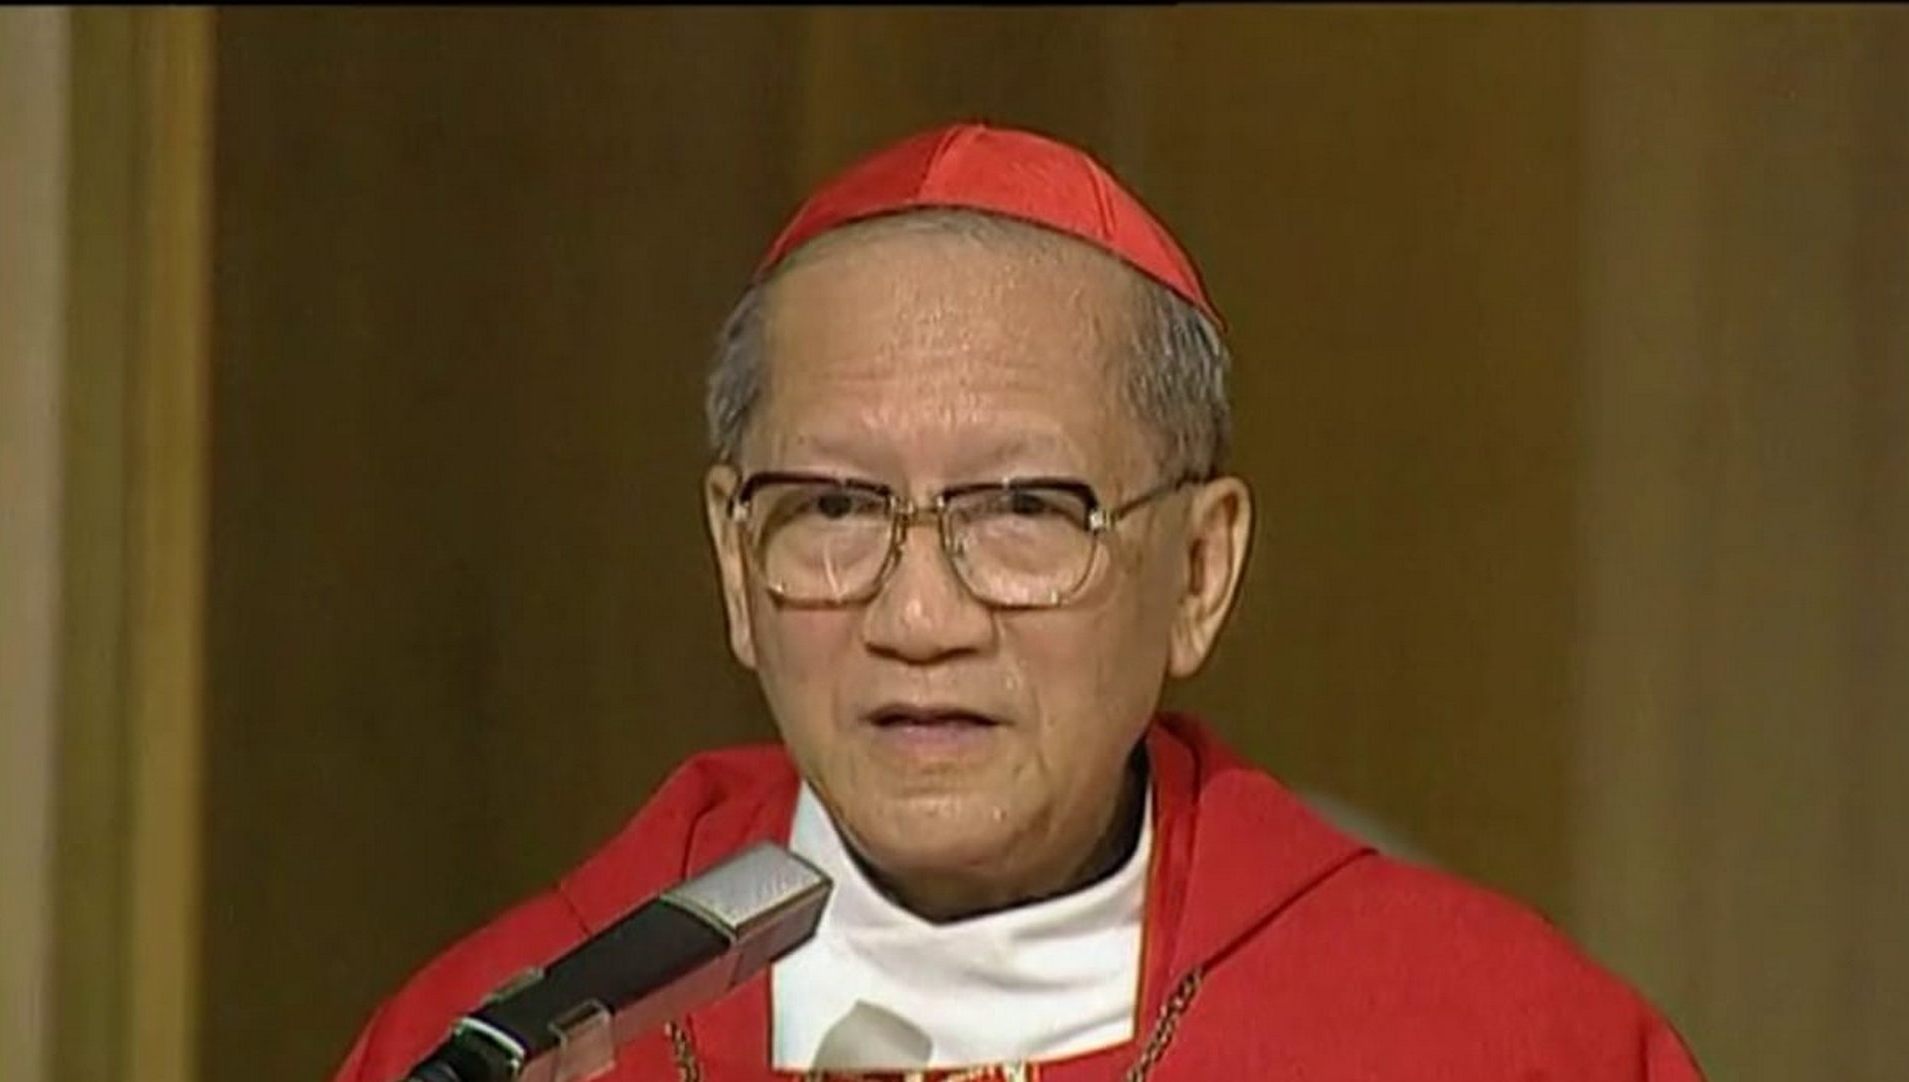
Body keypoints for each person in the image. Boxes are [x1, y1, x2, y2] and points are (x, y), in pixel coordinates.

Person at [331, 122, 1705, 1082]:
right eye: (833, 509)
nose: (920, 616)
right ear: (730, 564)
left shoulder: (1494, 1044)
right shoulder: (515, 1039)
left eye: (1024, 512)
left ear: (1202, 573)